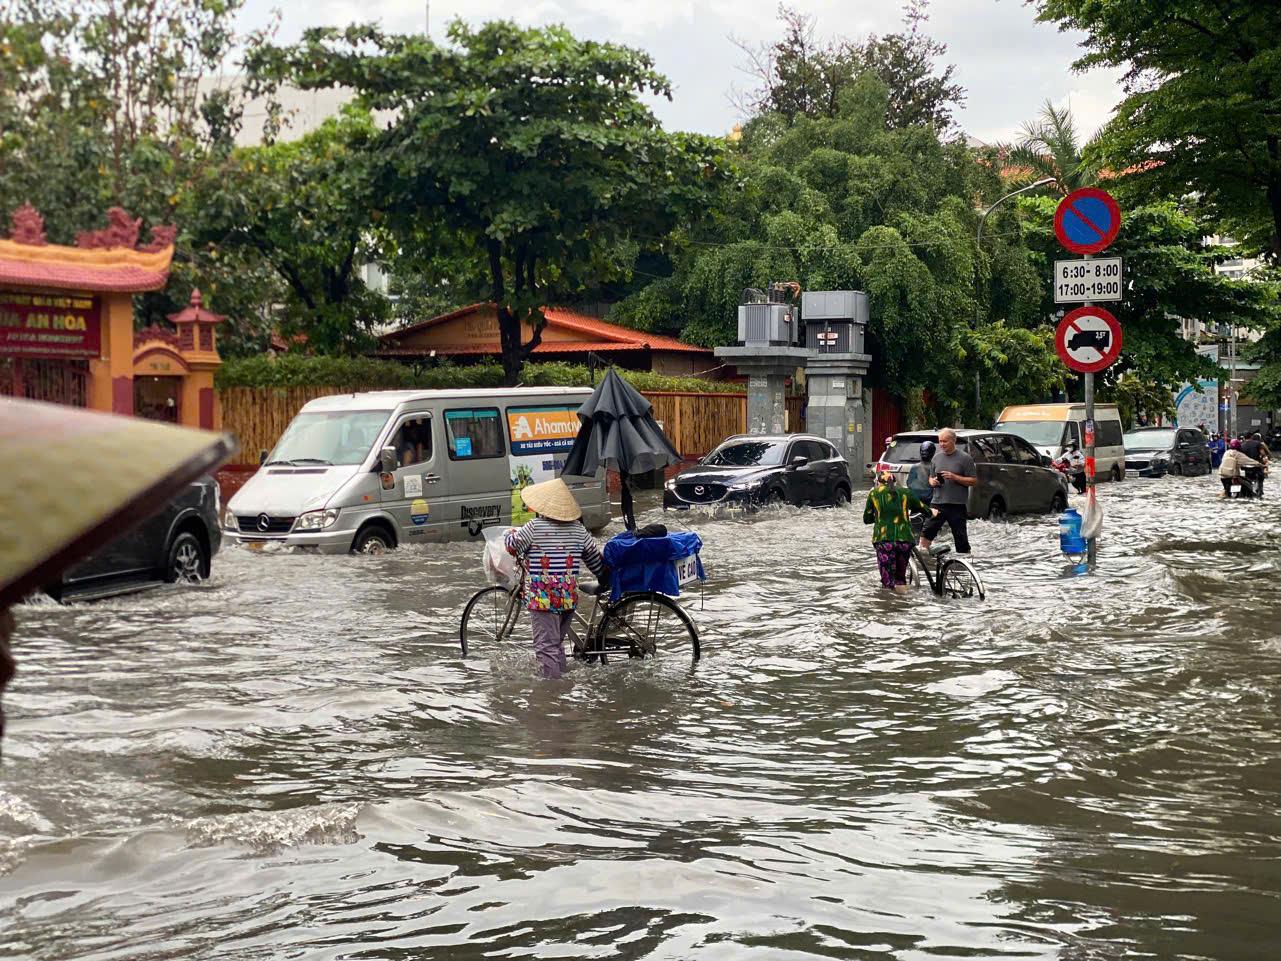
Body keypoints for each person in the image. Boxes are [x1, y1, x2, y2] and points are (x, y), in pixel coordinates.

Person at [505, 477, 605, 679]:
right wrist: (606, 578)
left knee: (545, 648)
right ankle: (562, 687)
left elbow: (513, 547)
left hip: (543, 599)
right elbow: (595, 562)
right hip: (568, 599)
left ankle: (553, 695)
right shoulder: (579, 530)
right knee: (556, 644)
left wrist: (508, 533)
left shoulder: (534, 527)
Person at [864, 469, 929, 594]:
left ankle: (889, 607)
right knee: (900, 579)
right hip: (904, 541)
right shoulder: (905, 493)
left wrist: (879, 517)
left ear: (879, 482)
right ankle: (903, 604)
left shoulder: (874, 494)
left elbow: (866, 518)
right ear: (894, 481)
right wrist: (932, 512)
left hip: (884, 542)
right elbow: (922, 507)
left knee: (887, 581)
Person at [919, 428, 978, 555]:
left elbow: (973, 481)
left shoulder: (965, 459)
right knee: (926, 533)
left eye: (945, 441)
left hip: (957, 505)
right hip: (937, 503)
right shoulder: (936, 458)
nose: (942, 444)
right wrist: (932, 482)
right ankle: (923, 564)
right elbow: (930, 478)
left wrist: (954, 477)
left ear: (953, 441)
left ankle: (964, 568)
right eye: (940, 441)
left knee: (961, 540)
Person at [905, 440, 936, 507]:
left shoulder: (934, 466)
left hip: (928, 501)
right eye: (922, 451)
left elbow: (909, 484)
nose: (924, 453)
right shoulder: (916, 467)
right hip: (921, 501)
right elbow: (910, 484)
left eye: (926, 451)